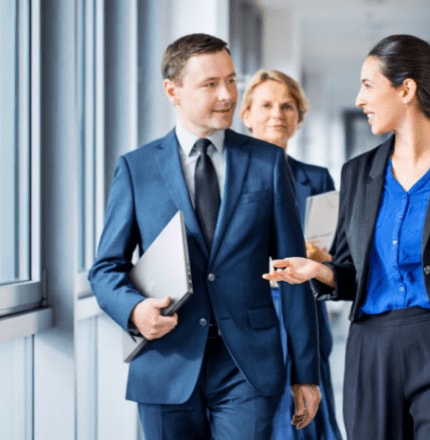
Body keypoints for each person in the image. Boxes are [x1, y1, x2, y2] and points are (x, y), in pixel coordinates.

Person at [263, 34, 430, 440]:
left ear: (406, 89)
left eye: (367, 85)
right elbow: (350, 274)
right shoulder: (357, 174)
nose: (359, 99)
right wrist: (319, 270)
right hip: (372, 350)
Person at [88, 33, 321, 440]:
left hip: (247, 366)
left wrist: (306, 373)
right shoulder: (136, 169)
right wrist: (134, 312)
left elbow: (293, 270)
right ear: (172, 91)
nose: (227, 95)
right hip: (166, 362)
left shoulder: (266, 162)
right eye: (210, 84)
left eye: (231, 81)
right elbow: (106, 268)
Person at [241, 69, 342, 440]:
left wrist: (319, 258)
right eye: (266, 105)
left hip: (303, 314)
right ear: (247, 114)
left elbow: (338, 254)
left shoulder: (316, 178)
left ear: (299, 117)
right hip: (250, 315)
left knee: (309, 417)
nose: (277, 114)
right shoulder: (227, 176)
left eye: (287, 106)